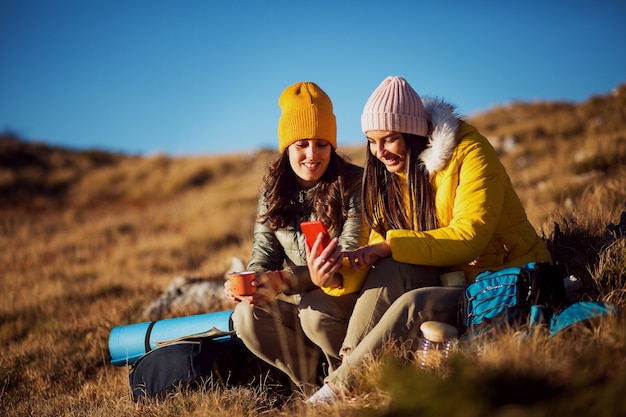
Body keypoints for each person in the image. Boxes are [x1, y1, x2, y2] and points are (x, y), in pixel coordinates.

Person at [307, 76, 553, 404]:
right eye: (371, 141)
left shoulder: (470, 152)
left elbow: (470, 238)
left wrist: (389, 245)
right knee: (387, 267)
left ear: (412, 132)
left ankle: (337, 391)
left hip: (497, 283)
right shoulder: (389, 177)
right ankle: (352, 372)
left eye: (389, 139)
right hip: (447, 278)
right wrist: (336, 275)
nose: (379, 152)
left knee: (412, 303)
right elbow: (379, 246)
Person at [224, 81, 369, 395]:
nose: (311, 155)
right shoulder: (274, 190)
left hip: (351, 303)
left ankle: (348, 380)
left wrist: (286, 281)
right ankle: (310, 387)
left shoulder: (355, 183)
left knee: (315, 309)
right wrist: (251, 283)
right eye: (301, 143)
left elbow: (349, 255)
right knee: (246, 316)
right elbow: (264, 251)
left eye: (321, 144)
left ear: (332, 145)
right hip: (306, 311)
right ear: (287, 145)